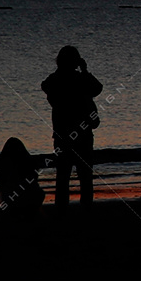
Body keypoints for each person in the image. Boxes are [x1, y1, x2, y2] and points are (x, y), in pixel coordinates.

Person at [40, 45, 102, 213]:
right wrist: (85, 71)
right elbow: (97, 88)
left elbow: (44, 85)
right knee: (85, 177)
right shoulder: (80, 79)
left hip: (62, 135)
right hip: (83, 134)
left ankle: (61, 212)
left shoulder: (55, 80)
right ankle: (86, 210)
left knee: (62, 177)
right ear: (76, 62)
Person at [0, 137, 44, 219]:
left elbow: (1, 183)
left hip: (14, 199)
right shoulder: (29, 164)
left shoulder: (4, 166)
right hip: (34, 197)